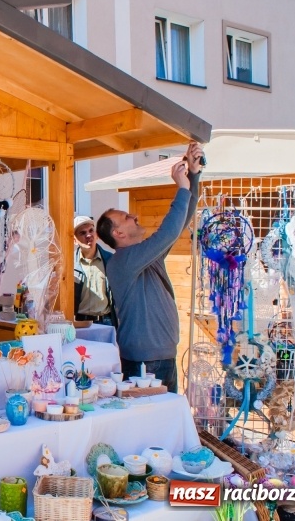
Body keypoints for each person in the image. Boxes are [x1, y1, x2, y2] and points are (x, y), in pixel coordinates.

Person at [96, 141, 204, 393]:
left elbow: (179, 223)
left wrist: (194, 176)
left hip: (158, 356)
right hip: (146, 360)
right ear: (118, 232)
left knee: (161, 425)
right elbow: (167, 233)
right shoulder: (124, 261)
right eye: (126, 217)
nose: (134, 215)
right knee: (152, 428)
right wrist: (182, 187)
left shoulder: (144, 256)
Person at [73, 215, 117, 327]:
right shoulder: (69, 264)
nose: (88, 235)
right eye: (82, 233)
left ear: (96, 235)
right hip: (79, 322)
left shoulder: (111, 260)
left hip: (106, 322)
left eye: (91, 231)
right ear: (75, 240)